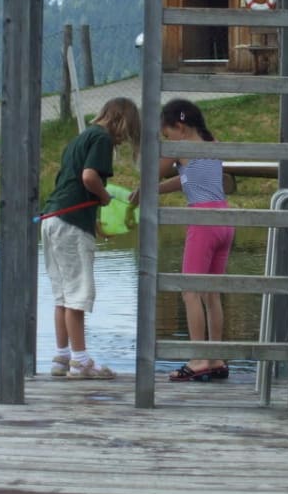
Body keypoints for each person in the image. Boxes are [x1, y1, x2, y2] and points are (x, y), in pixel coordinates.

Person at [40, 97, 141, 380]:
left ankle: (62, 357)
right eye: (126, 133)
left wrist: (95, 219)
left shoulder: (81, 137)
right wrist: (104, 195)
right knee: (77, 295)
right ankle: (81, 362)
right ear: (120, 122)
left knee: (62, 295)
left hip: (53, 218)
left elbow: (71, 178)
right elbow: (88, 177)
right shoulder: (102, 139)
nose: (122, 141)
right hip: (71, 223)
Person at [144, 98, 234, 382]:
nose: (165, 138)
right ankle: (216, 358)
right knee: (211, 292)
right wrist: (158, 190)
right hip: (224, 218)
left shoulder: (179, 147)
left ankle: (197, 360)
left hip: (203, 221)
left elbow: (151, 173)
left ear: (180, 127)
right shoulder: (211, 141)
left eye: (166, 133)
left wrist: (157, 157)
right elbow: (190, 180)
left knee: (189, 291)